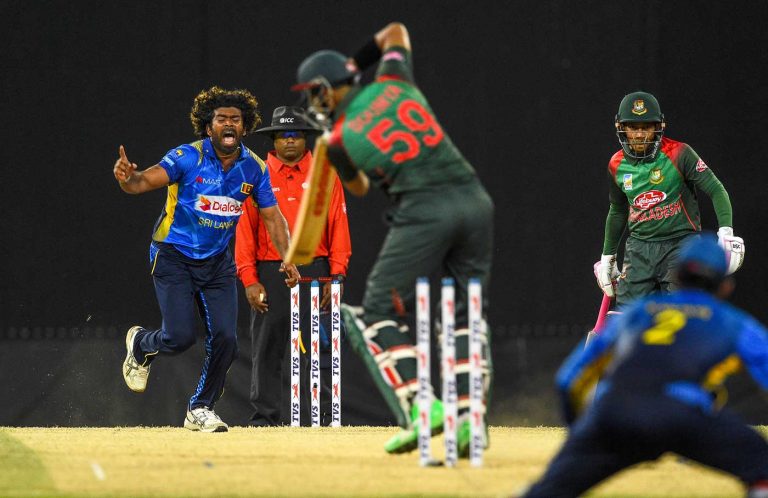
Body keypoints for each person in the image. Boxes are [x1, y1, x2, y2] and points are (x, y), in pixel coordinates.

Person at [292, 22, 494, 455]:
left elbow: (360, 187)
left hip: (425, 211)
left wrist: (338, 154)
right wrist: (356, 61)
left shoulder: (338, 141)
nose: (312, 103)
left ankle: (422, 407)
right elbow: (396, 32)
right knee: (466, 313)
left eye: (313, 94)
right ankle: (469, 421)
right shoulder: (395, 80)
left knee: (375, 310)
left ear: (325, 89)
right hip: (476, 201)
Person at [521, 235, 768, 498]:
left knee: (546, 492)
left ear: (677, 275)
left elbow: (568, 380)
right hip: (682, 417)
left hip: (615, 414)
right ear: (726, 287)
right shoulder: (734, 323)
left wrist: (584, 431)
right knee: (762, 468)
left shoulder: (635, 313)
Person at [113, 86, 300, 433]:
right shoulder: (188, 157)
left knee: (227, 340)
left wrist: (287, 258)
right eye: (221, 119)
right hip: (173, 256)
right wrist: (128, 178)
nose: (229, 124)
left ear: (245, 126)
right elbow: (142, 183)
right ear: (207, 126)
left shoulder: (254, 168)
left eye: (236, 119)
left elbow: (273, 218)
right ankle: (140, 344)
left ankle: (200, 407)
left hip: (217, 263)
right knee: (179, 337)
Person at [235, 106, 351, 427]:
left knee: (319, 348)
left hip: (316, 271)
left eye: (296, 135)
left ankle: (323, 416)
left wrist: (336, 276)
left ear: (305, 139)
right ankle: (265, 419)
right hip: (271, 272)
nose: (289, 141)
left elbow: (338, 227)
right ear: (273, 139)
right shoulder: (257, 174)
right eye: (283, 135)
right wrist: (249, 279)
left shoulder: (325, 175)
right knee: (267, 349)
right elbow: (244, 232)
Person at [595, 91, 744, 306]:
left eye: (646, 127)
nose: (639, 135)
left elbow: (715, 189)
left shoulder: (680, 153)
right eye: (633, 128)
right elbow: (617, 210)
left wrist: (726, 232)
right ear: (621, 128)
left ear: (659, 126)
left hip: (681, 245)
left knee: (681, 313)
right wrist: (607, 257)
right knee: (627, 317)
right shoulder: (616, 164)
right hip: (639, 249)